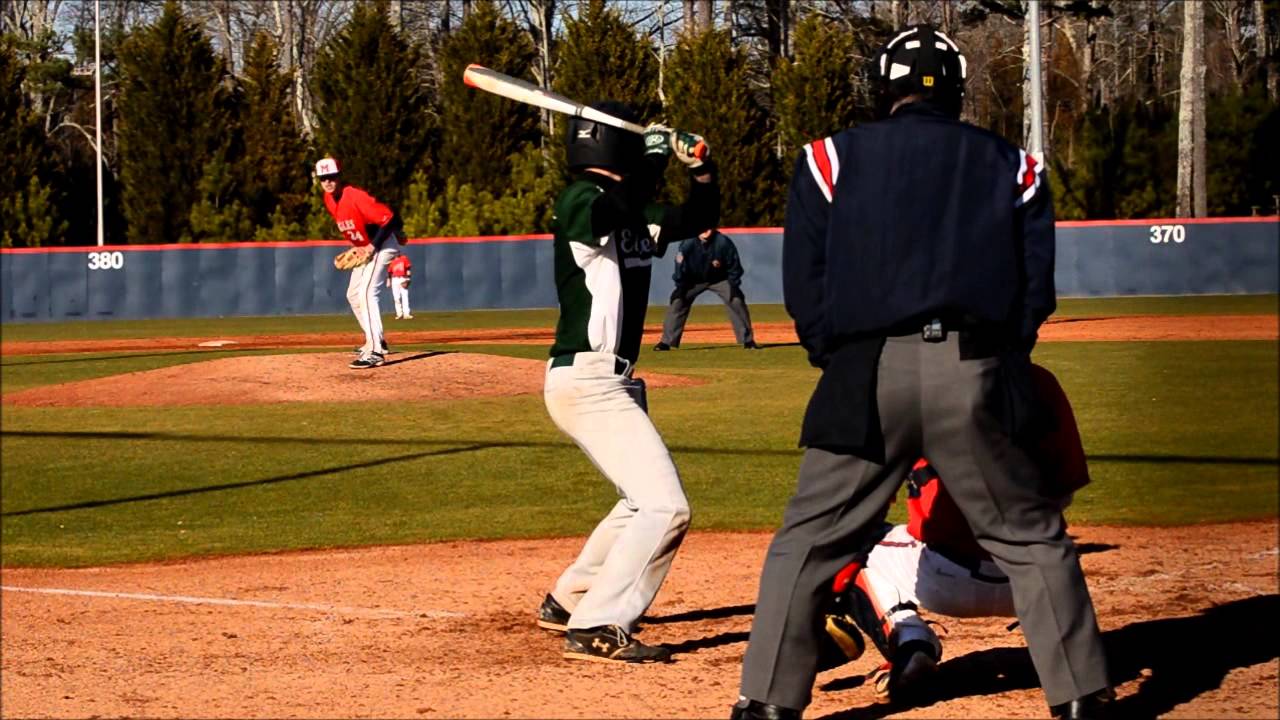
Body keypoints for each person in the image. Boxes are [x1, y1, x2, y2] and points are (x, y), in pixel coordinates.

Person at [733, 24, 1112, 720]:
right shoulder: (1016, 165)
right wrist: (1000, 360)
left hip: (864, 370)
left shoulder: (828, 157)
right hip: (974, 364)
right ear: (957, 91)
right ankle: (1083, 700)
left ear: (884, 89)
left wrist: (838, 358)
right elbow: (1035, 290)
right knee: (1031, 537)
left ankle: (765, 707)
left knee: (809, 541)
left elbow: (804, 285)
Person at [535, 102, 719, 664]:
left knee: (640, 503)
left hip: (611, 380)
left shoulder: (632, 205)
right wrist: (652, 161)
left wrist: (701, 170)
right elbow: (609, 209)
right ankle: (598, 624)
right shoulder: (580, 198)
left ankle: (572, 598)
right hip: (587, 378)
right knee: (666, 507)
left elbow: (697, 217)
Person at [817, 364, 1094, 703]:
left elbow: (863, 505)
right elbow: (1065, 491)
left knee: (858, 539)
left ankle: (910, 643)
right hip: (1040, 580)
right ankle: (1061, 647)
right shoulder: (1038, 381)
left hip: (946, 580)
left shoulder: (911, 388)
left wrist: (828, 597)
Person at [316, 156, 404, 369]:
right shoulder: (329, 199)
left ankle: (375, 352)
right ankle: (376, 340)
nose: (328, 182)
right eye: (323, 178)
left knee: (367, 292)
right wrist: (357, 246)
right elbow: (355, 225)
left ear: (339, 177)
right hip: (365, 249)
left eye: (331, 177)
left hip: (381, 246)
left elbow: (389, 217)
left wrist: (373, 246)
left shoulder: (354, 195)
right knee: (353, 294)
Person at [654, 228, 758, 351]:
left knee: (736, 300)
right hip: (693, 281)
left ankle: (748, 340)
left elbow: (734, 266)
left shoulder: (723, 242)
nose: (705, 230)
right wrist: (680, 286)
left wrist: (734, 286)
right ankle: (666, 342)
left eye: (708, 226)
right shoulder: (688, 242)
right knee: (678, 302)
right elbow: (680, 266)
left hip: (719, 279)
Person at [388, 253, 413, 319]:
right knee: (396, 298)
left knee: (405, 296)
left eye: (397, 252)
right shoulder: (391, 260)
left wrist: (408, 279)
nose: (396, 253)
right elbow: (389, 272)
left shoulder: (404, 258)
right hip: (394, 279)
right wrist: (389, 280)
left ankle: (406, 314)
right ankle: (399, 314)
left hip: (403, 278)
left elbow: (408, 268)